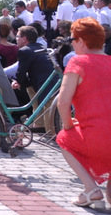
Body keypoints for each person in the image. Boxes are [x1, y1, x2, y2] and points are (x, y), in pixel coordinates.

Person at [56, 18, 111, 209]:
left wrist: (68, 125)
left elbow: (63, 103)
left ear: (81, 41)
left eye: (72, 40)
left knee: (63, 138)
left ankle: (91, 189)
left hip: (96, 137)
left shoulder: (78, 62)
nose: (72, 44)